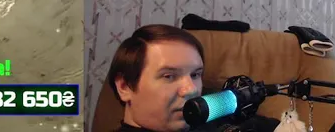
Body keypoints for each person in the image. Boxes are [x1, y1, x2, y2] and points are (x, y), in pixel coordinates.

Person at [106, 25, 277, 132]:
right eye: (169, 76)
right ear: (124, 87)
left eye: (195, 75)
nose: (192, 89)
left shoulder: (209, 113)